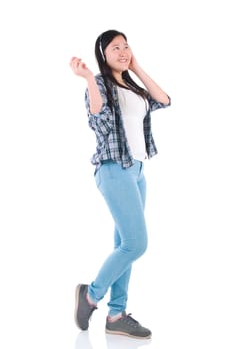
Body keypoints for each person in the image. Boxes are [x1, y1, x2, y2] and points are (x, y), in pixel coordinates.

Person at [69, 29, 171, 339]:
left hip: (137, 172)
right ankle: (91, 295)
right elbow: (97, 115)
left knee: (123, 245)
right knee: (135, 244)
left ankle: (116, 314)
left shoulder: (132, 86)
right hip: (113, 169)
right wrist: (88, 78)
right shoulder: (100, 84)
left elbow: (164, 100)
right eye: (116, 48)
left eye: (126, 46)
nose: (123, 51)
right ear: (104, 54)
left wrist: (137, 68)